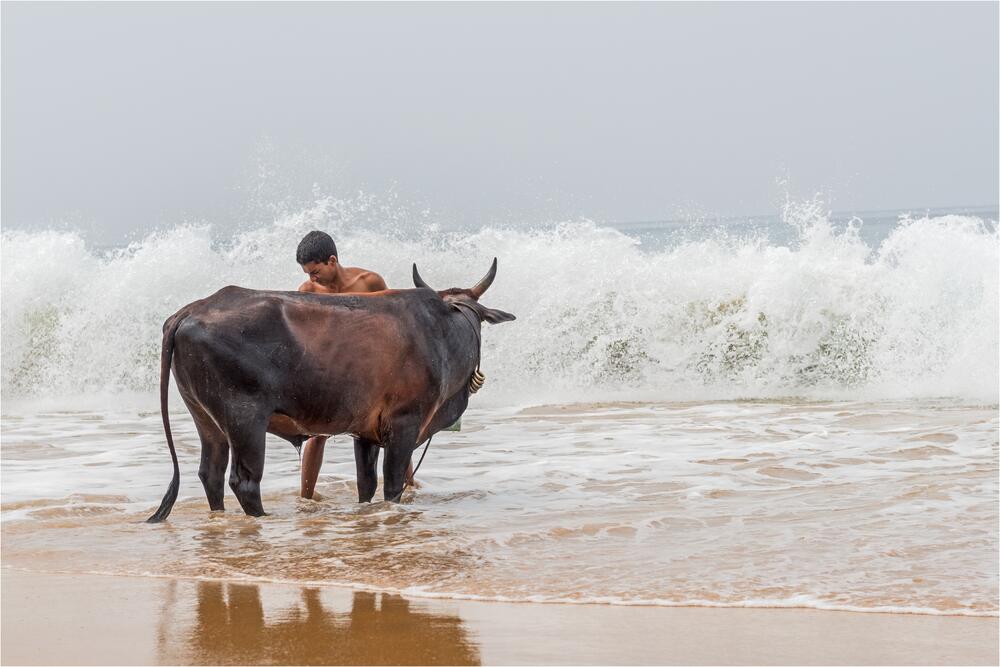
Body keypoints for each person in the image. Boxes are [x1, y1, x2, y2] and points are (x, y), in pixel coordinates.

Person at [294, 230, 417, 499]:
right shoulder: (308, 291)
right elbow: (304, 336)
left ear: (332, 260)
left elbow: (392, 322)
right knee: (317, 433)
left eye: (314, 271)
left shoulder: (369, 282)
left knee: (392, 426)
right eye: (307, 273)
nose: (310, 278)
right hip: (330, 368)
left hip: (370, 369)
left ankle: (409, 482)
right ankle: (306, 497)